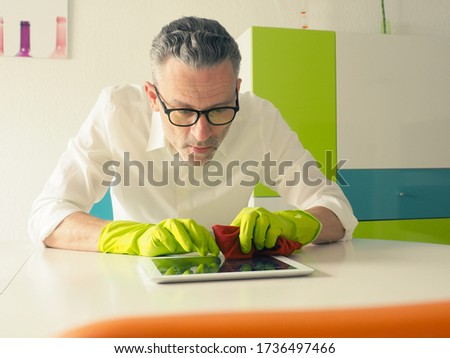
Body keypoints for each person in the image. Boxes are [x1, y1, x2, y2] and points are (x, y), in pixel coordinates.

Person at [28, 16, 357, 257]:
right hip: (132, 285)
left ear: (237, 92)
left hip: (232, 284)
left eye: (219, 110)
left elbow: (336, 209)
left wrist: (293, 224)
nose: (202, 134)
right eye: (183, 112)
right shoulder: (117, 111)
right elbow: (47, 214)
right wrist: (135, 237)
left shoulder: (259, 117)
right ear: (153, 98)